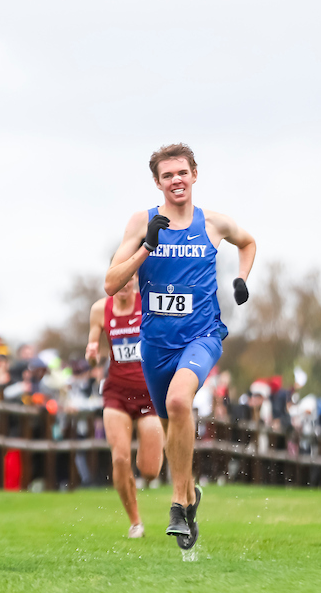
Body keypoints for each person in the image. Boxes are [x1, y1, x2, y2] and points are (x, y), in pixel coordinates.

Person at [105, 143, 255, 549]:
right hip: (155, 344)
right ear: (157, 182)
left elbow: (248, 242)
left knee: (177, 403)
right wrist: (146, 248)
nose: (176, 180)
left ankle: (177, 503)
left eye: (182, 172)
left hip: (201, 336)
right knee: (173, 431)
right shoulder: (142, 222)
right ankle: (191, 495)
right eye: (167, 175)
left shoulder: (215, 224)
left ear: (194, 175)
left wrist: (241, 278)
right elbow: (110, 283)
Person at [85, 276, 164, 538]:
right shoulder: (100, 309)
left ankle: (150, 465)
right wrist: (92, 349)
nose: (124, 285)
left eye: (129, 280)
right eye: (119, 280)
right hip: (116, 393)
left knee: (150, 472)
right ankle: (135, 522)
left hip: (149, 393)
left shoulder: (149, 303)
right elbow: (92, 341)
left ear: (136, 279)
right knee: (119, 458)